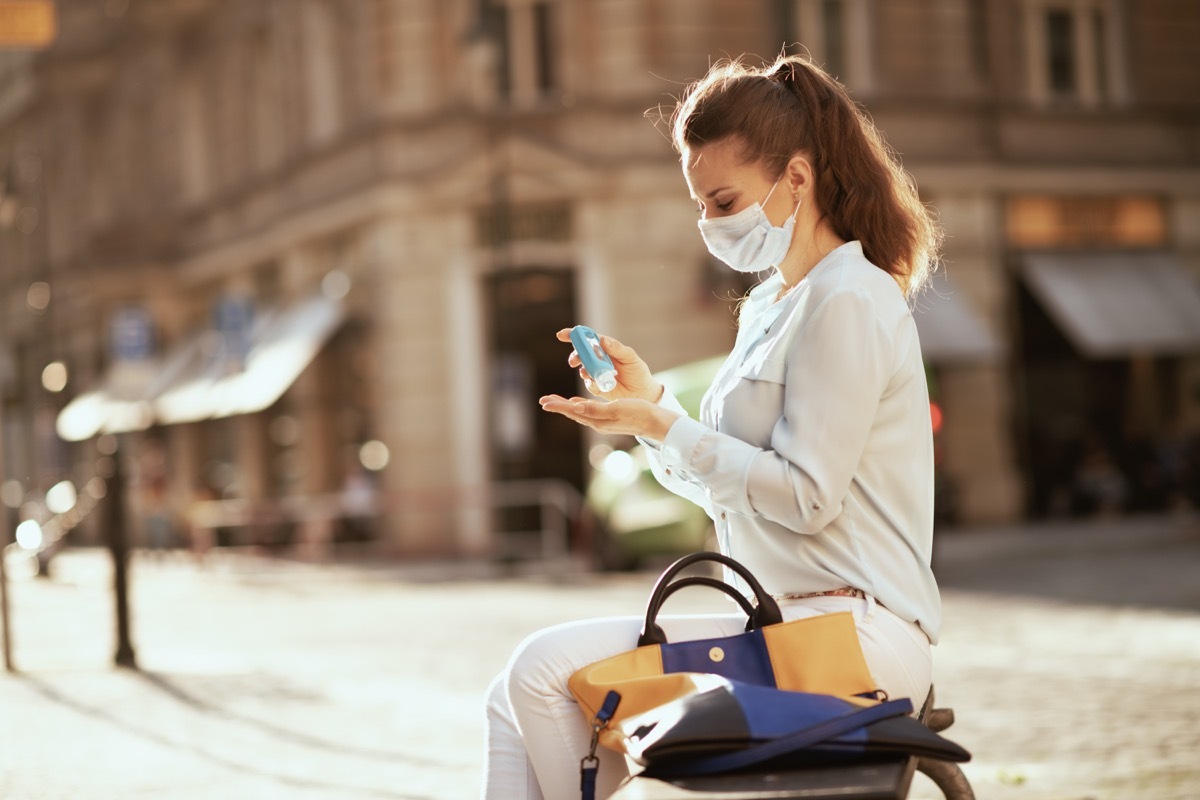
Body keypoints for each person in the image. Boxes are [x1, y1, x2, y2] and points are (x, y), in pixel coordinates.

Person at [482, 53, 943, 800]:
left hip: (854, 639)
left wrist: (669, 428)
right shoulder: (772, 305)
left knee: (542, 670)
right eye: (700, 204)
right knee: (514, 693)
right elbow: (732, 481)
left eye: (724, 200)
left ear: (797, 177)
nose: (710, 222)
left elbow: (804, 496)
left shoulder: (848, 298)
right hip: (777, 626)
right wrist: (654, 411)